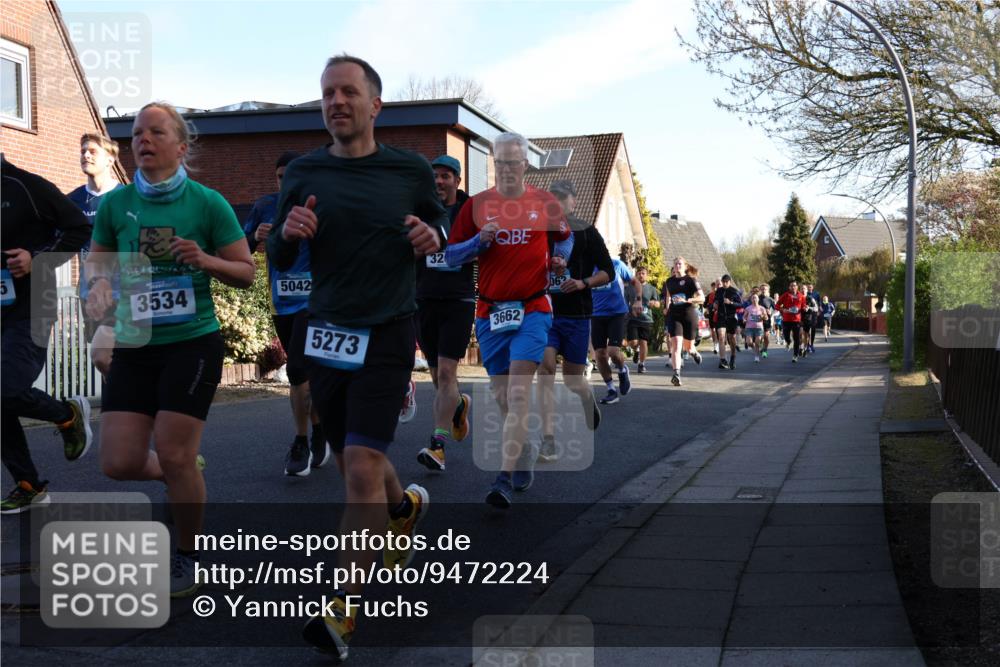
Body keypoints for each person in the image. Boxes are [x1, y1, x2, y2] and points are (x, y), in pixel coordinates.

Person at [266, 56, 449, 659]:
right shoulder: (305, 171)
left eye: (349, 92)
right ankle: (402, 510)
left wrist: (435, 236)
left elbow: (439, 222)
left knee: (363, 464)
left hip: (390, 328)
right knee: (352, 464)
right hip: (325, 332)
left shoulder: (409, 169)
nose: (336, 101)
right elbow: (281, 264)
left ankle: (342, 613)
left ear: (376, 105)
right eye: (327, 94)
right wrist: (289, 236)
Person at [85, 102, 255, 595]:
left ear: (181, 146)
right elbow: (97, 267)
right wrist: (97, 289)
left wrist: (203, 259)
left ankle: (188, 554)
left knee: (176, 451)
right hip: (136, 342)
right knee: (117, 462)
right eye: (137, 133)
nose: (143, 139)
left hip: (192, 343)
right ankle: (181, 475)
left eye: (156, 132)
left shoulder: (207, 203)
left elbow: (245, 272)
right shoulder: (117, 205)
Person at [446, 132, 572, 508]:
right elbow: (452, 256)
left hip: (533, 308)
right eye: (499, 163)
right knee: (503, 396)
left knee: (517, 390)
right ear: (493, 163)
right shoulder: (477, 206)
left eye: (513, 163)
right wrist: (476, 244)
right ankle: (524, 447)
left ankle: (501, 479)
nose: (506, 170)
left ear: (525, 165)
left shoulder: (544, 202)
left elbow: (565, 239)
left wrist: (559, 259)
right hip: (489, 313)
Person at [1, 156, 93, 513]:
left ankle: (66, 414)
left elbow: (78, 229)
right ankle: (28, 485)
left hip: (33, 306)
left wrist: (36, 259)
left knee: (4, 386)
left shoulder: (26, 185)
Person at [244, 151, 331, 476]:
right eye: (281, 176)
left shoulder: (317, 206)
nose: (286, 182)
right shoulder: (264, 206)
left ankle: (300, 441)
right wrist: (255, 237)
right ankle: (319, 428)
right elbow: (241, 247)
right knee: (306, 376)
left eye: (292, 175)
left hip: (314, 303)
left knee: (296, 370)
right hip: (281, 303)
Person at [536, 179, 610, 462]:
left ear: (573, 201)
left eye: (562, 198)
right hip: (545, 312)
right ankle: (548, 439)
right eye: (552, 197)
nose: (557, 202)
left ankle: (585, 394)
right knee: (544, 369)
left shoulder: (587, 232)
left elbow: (607, 272)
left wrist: (582, 283)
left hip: (577, 314)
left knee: (571, 379)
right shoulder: (540, 231)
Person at [413, 154, 475, 472]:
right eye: (434, 176)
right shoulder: (420, 210)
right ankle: (459, 404)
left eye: (445, 176)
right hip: (424, 300)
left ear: (457, 181)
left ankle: (438, 446)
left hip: (458, 301)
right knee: (438, 377)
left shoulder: (469, 211)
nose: (439, 181)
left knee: (448, 373)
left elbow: (480, 247)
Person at [67, 133, 123, 374]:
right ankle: (122, 404)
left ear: (110, 160)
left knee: (124, 354)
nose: (86, 155)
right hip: (89, 290)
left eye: (92, 151)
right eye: (83, 151)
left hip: (125, 289)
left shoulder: (126, 198)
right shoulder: (72, 202)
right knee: (102, 358)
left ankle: (129, 405)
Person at [591, 257, 637, 404]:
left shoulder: (616, 264)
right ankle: (611, 389)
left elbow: (635, 282)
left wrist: (639, 299)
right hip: (596, 315)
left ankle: (623, 370)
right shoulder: (585, 267)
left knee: (612, 351)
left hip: (617, 314)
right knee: (599, 354)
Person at [663, 256, 705, 386]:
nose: (677, 266)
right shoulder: (669, 281)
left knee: (688, 347)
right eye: (675, 264)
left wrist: (688, 300)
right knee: (676, 344)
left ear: (685, 266)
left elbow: (702, 298)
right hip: (674, 316)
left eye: (680, 264)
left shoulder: (691, 280)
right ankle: (676, 374)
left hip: (688, 315)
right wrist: (667, 307)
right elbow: (668, 297)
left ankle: (693, 352)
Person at [625, 266, 659, 373]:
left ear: (647, 275)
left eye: (643, 273)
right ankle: (636, 350)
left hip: (646, 319)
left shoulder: (652, 288)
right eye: (639, 273)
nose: (641, 275)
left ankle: (641, 364)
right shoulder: (630, 287)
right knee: (633, 342)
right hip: (633, 318)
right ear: (636, 274)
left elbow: (658, 303)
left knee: (643, 342)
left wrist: (654, 303)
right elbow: (625, 302)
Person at [713, 275, 742, 370]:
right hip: (721, 317)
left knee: (731, 339)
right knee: (721, 336)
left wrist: (731, 303)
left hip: (731, 317)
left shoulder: (734, 291)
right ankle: (723, 359)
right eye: (723, 281)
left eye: (726, 282)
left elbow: (741, 304)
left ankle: (733, 357)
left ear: (729, 282)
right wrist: (715, 304)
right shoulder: (719, 291)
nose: (724, 283)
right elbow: (715, 301)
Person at [776, 280, 806, 361]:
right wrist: (783, 310)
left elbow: (803, 306)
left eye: (794, 285)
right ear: (789, 287)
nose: (793, 287)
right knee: (786, 335)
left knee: (796, 338)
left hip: (796, 320)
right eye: (791, 286)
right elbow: (777, 305)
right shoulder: (786, 295)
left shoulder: (801, 296)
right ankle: (788, 342)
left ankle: (795, 356)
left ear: (797, 287)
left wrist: (805, 308)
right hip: (786, 319)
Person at [743, 293, 766, 362]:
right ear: (751, 300)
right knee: (749, 342)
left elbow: (766, 317)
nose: (754, 299)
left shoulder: (762, 308)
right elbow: (744, 316)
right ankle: (754, 347)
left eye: (756, 298)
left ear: (758, 299)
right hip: (749, 327)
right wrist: (744, 320)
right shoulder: (748, 308)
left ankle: (756, 356)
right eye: (753, 298)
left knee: (757, 342)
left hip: (759, 328)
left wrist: (763, 316)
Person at [758, 283, 775, 358]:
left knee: (766, 336)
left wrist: (771, 312)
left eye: (765, 289)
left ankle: (765, 350)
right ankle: (761, 346)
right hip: (758, 320)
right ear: (760, 290)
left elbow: (776, 309)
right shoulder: (757, 298)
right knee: (759, 337)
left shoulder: (770, 299)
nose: (763, 290)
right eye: (762, 289)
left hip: (767, 320)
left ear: (768, 290)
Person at [704, 280, 719, 354]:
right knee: (712, 330)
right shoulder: (709, 295)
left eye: (715, 286)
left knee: (718, 330)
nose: (714, 288)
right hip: (711, 314)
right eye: (713, 287)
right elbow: (704, 304)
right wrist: (707, 308)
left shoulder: (720, 294)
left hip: (719, 314)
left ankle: (720, 342)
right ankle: (715, 344)